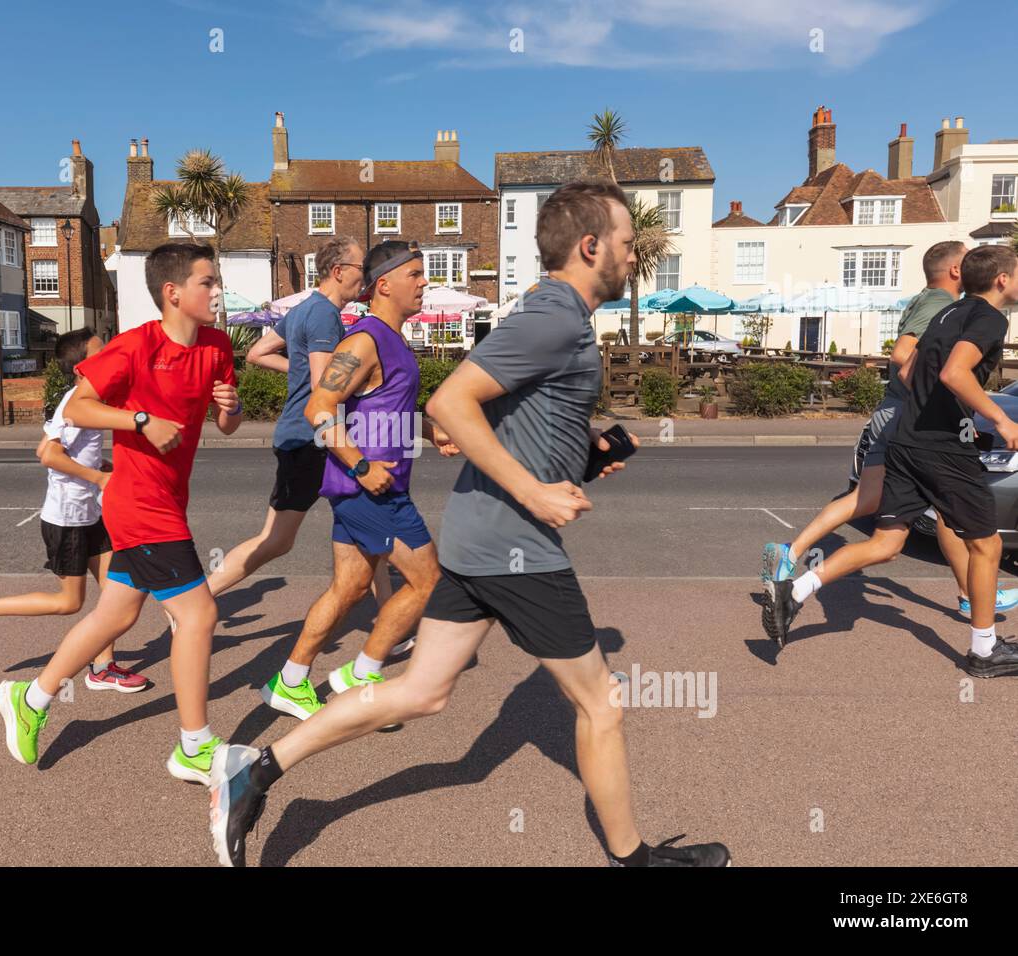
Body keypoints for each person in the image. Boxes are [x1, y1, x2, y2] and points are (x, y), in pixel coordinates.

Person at [208, 183, 730, 867]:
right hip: (508, 540)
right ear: (591, 245)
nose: (635, 257)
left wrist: (581, 454)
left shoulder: (549, 320)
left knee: (422, 691)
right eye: (630, 244)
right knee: (601, 703)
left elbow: (491, 413)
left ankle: (256, 768)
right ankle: (636, 859)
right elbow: (447, 401)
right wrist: (528, 491)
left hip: (477, 537)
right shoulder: (552, 316)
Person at [0, 242, 241, 777]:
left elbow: (226, 425)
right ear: (173, 293)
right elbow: (79, 405)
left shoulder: (218, 348)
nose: (217, 291)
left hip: (169, 498)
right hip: (140, 503)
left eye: (216, 280)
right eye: (207, 282)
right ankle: (194, 746)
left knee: (117, 613)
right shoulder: (134, 347)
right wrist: (140, 420)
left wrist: (233, 409)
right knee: (198, 615)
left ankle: (30, 699)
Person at [763, 244, 1018, 680]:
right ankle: (983, 649)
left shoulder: (945, 314)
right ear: (1002, 280)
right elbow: (954, 374)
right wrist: (998, 418)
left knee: (886, 544)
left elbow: (906, 371)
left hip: (906, 439)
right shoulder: (991, 318)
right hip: (942, 449)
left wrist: (945, 409)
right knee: (987, 544)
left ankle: (796, 590)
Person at [257, 241, 458, 722]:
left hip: (366, 485)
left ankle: (289, 681)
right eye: (415, 274)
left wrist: (429, 430)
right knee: (429, 581)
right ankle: (361, 674)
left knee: (348, 589)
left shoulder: (392, 338)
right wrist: (361, 466)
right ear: (384, 284)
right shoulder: (365, 340)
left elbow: (385, 406)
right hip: (371, 487)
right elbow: (318, 407)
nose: (424, 282)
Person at [208, 238, 399, 623]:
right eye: (363, 267)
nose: (367, 275)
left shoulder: (302, 310)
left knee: (368, 527)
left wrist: (297, 367)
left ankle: (391, 623)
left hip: (304, 438)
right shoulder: (325, 316)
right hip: (313, 441)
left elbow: (258, 354)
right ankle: (193, 600)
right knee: (276, 540)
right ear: (338, 271)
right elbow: (322, 390)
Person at [0, 329, 147, 692]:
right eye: (102, 353)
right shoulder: (77, 403)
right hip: (67, 518)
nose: (111, 358)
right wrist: (97, 479)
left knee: (114, 591)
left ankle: (102, 668)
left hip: (89, 514)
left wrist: (99, 465)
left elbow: (66, 449)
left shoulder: (88, 399)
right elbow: (48, 454)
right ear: (84, 367)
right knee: (69, 602)